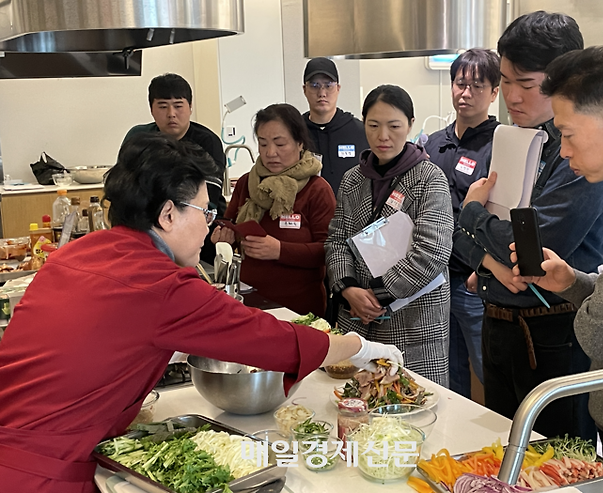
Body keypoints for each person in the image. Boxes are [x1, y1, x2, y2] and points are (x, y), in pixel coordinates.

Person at [0, 133, 402, 492]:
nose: (211, 228)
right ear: (168, 214)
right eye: (206, 213)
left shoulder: (77, 252)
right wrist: (358, 346)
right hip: (40, 471)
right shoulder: (160, 284)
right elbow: (267, 338)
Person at [452, 11, 603, 441]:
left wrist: (473, 215)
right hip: (497, 322)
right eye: (505, 81)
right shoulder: (507, 138)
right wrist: (494, 261)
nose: (511, 96)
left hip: (555, 332)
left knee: (558, 463)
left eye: (525, 84)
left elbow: (536, 248)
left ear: (568, 78)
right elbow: (457, 239)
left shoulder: (578, 150)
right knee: (503, 454)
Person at [508, 46, 603, 468]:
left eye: (569, 134)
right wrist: (573, 281)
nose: (565, 151)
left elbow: (598, 334)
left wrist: (592, 304)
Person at [325, 85, 453, 384]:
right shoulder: (352, 179)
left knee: (412, 406)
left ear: (410, 124)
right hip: (357, 318)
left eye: (394, 126)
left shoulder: (429, 178)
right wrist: (348, 290)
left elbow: (431, 253)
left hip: (412, 320)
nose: (383, 136)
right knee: (357, 409)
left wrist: (377, 295)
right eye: (373, 125)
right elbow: (336, 240)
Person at [424, 48, 500, 399]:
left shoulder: (500, 144)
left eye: (476, 86)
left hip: (475, 280)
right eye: (459, 83)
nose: (465, 93)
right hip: (435, 278)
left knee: (488, 368)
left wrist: (483, 268)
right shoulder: (435, 143)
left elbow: (502, 213)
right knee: (445, 371)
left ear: (494, 92)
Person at [211, 104, 336, 316]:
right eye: (263, 143)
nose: (270, 153)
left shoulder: (316, 189)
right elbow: (229, 224)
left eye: (280, 143)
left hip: (299, 308)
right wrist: (224, 237)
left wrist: (279, 250)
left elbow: (330, 251)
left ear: (300, 143)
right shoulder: (246, 183)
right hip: (249, 302)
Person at [122, 73, 227, 264]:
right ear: (151, 109)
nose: (171, 114)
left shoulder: (207, 142)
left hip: (200, 229)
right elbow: (126, 189)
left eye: (178, 106)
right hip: (149, 230)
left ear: (190, 107)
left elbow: (207, 199)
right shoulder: (138, 138)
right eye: (163, 106)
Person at [302, 57, 369, 196]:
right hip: (304, 214)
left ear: (338, 88)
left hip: (350, 214)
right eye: (314, 85)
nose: (322, 93)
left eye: (328, 85)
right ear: (304, 89)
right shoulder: (295, 131)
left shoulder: (360, 132)